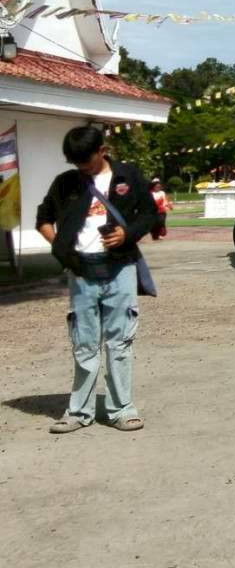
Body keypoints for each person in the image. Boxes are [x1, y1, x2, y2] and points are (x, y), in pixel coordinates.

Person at [35, 125, 158, 434]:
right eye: (76, 164)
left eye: (87, 162)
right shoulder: (66, 183)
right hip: (81, 271)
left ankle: (122, 410)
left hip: (120, 269)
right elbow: (43, 219)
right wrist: (62, 249)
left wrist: (126, 234)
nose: (82, 169)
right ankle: (79, 412)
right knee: (84, 344)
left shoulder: (127, 176)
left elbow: (150, 214)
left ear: (102, 151)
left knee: (120, 341)